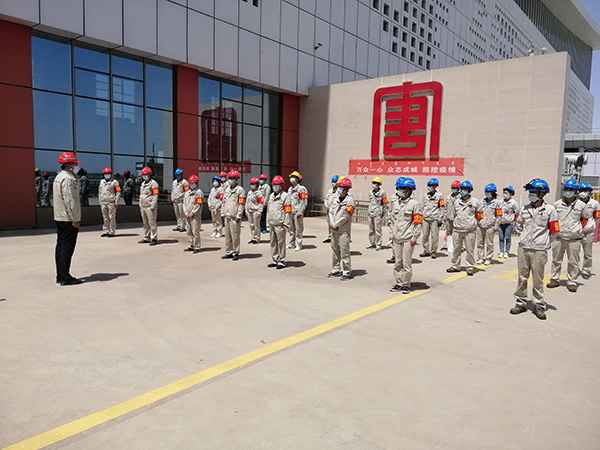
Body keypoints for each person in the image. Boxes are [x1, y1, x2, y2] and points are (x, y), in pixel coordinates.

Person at [510, 179, 559, 320]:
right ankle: (520, 302)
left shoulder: (550, 210)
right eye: (530, 192)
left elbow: (554, 231)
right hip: (524, 248)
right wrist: (524, 238)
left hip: (539, 250)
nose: (530, 194)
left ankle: (538, 304)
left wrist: (544, 242)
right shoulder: (524, 209)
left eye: (533, 192)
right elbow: (519, 226)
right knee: (522, 277)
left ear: (542, 194)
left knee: (538, 278)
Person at [547, 179, 591, 293]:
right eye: (566, 189)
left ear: (576, 191)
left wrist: (578, 229)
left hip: (574, 238)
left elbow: (585, 218)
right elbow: (553, 219)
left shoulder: (581, 205)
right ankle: (555, 279)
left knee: (573, 261)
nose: (568, 191)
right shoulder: (557, 204)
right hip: (559, 237)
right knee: (556, 260)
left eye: (571, 189)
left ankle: (572, 281)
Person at [389, 177, 423, 294]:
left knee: (406, 263)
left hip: (408, 238)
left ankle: (406, 284)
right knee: (397, 263)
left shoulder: (414, 204)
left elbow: (418, 222)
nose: (399, 190)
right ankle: (399, 282)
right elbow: (392, 221)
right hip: (397, 238)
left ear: (408, 190)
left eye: (402, 188)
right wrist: (391, 234)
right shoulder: (396, 203)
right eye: (398, 188)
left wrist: (415, 237)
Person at [53, 152, 82, 286]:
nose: (75, 166)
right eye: (74, 164)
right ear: (68, 165)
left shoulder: (58, 177)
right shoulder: (68, 179)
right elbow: (70, 200)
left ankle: (60, 275)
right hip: (67, 218)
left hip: (60, 216)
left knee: (60, 247)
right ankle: (65, 276)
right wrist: (75, 219)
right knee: (67, 248)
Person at [446, 180, 482, 276]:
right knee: (456, 249)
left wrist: (475, 225)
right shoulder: (456, 202)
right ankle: (455, 265)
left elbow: (479, 216)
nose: (463, 191)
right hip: (457, 229)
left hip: (470, 230)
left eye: (465, 189)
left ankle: (470, 267)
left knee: (470, 250)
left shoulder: (475, 202)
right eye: (462, 189)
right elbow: (454, 214)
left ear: (469, 190)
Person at [327, 177, 355, 281]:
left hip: (343, 231)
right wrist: (332, 223)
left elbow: (346, 216)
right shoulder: (335, 198)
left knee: (344, 251)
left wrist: (336, 224)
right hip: (334, 229)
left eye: (341, 187)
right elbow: (331, 212)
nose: (339, 189)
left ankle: (346, 271)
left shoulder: (350, 201)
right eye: (339, 187)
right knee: (335, 250)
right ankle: (336, 269)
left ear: (346, 189)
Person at [266, 175, 292, 269]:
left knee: (281, 243)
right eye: (274, 185)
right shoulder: (271, 196)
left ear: (281, 186)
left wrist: (286, 224)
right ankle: (274, 259)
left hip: (280, 224)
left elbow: (288, 211)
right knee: (273, 243)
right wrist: (267, 223)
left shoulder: (285, 196)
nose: (275, 187)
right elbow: (269, 210)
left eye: (276, 185)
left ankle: (281, 261)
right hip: (272, 223)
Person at [221, 170, 246, 261]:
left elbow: (241, 204)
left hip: (235, 217)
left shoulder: (240, 190)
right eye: (230, 178)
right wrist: (222, 213)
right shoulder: (227, 190)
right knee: (227, 236)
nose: (231, 180)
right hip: (227, 216)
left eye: (232, 178)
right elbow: (224, 202)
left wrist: (239, 215)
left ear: (236, 179)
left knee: (235, 235)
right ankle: (229, 251)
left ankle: (236, 252)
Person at [476, 183, 503, 265]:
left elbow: (499, 215)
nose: (487, 193)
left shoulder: (497, 203)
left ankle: (488, 257)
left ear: (493, 193)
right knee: (480, 243)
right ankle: (480, 257)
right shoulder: (481, 202)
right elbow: (478, 213)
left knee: (489, 244)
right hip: (481, 225)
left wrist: (496, 226)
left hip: (490, 226)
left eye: (489, 192)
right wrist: (478, 222)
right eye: (486, 191)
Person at [578, 182, 600, 279]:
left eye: (585, 191)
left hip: (588, 232)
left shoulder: (595, 204)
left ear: (590, 192)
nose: (583, 193)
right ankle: (574, 269)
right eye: (581, 191)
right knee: (574, 253)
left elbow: (597, 217)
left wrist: (590, 225)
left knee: (587, 253)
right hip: (576, 232)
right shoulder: (576, 203)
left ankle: (586, 270)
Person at [420, 178, 445, 258]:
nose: (430, 187)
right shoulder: (425, 196)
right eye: (429, 185)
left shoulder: (439, 195)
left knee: (434, 236)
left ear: (435, 186)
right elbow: (422, 206)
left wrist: (440, 218)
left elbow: (441, 207)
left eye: (432, 185)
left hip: (434, 218)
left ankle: (433, 251)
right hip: (426, 218)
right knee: (425, 235)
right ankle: (426, 250)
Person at [287, 171, 308, 251]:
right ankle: (291, 243)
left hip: (297, 212)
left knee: (298, 229)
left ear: (297, 179)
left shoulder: (301, 189)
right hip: (291, 212)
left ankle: (299, 244)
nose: (292, 179)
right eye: (291, 177)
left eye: (293, 177)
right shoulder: (290, 189)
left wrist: (300, 212)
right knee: (291, 229)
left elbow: (303, 201)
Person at [138, 166, 159, 246]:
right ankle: (146, 236)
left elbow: (155, 195)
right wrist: (140, 204)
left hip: (150, 206)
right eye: (143, 175)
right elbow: (141, 195)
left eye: (146, 175)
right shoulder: (143, 184)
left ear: (150, 175)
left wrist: (153, 205)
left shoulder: (153, 183)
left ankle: (154, 238)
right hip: (143, 206)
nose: (144, 176)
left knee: (152, 222)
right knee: (145, 223)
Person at [366, 176, 389, 251]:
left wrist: (384, 214)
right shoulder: (370, 192)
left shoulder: (382, 193)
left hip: (378, 213)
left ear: (379, 184)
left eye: (375, 183)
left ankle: (378, 244)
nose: (374, 184)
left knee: (377, 230)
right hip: (370, 213)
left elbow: (385, 204)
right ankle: (372, 243)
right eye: (373, 183)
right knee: (371, 230)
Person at [183, 174, 204, 254]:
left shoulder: (199, 193)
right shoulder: (187, 193)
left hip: (195, 215)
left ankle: (197, 246)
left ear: (196, 183)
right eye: (190, 183)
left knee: (195, 231)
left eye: (193, 183)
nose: (191, 184)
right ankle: (191, 245)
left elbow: (198, 204)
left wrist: (192, 213)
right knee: (189, 231)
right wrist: (186, 212)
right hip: (187, 215)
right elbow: (184, 204)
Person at [497, 185, 519, 258]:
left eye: (506, 193)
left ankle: (506, 252)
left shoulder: (513, 203)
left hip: (509, 223)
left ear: (510, 193)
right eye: (504, 193)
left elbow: (517, 213)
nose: (505, 194)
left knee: (507, 238)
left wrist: (515, 223)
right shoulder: (500, 202)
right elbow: (498, 212)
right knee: (501, 237)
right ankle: (501, 251)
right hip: (501, 223)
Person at [99, 167, 121, 237]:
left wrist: (116, 201)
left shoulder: (114, 182)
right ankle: (106, 230)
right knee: (105, 217)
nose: (107, 175)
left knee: (111, 217)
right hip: (103, 202)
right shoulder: (102, 182)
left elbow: (118, 192)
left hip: (111, 202)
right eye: (105, 174)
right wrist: (100, 201)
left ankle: (112, 231)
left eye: (108, 173)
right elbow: (99, 192)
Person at [442, 180, 461, 252]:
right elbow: (445, 208)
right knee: (448, 232)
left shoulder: (461, 198)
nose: (453, 189)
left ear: (458, 189)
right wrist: (444, 216)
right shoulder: (448, 197)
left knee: (458, 233)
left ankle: (458, 246)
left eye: (455, 188)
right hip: (449, 218)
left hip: (457, 218)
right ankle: (446, 245)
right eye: (452, 188)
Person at [245, 176, 264, 244]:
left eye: (253, 184)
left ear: (257, 184)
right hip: (249, 211)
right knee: (251, 225)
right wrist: (246, 210)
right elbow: (247, 202)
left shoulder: (259, 193)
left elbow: (260, 203)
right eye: (251, 184)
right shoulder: (249, 192)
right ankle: (253, 237)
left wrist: (259, 212)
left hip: (255, 211)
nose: (252, 185)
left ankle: (257, 238)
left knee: (256, 225)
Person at [171, 168, 188, 232]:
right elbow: (173, 191)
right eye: (176, 175)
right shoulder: (174, 182)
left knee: (182, 214)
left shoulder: (184, 182)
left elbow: (186, 191)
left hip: (181, 200)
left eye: (179, 175)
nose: (178, 176)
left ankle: (183, 226)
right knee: (177, 214)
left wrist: (181, 196)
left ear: (181, 175)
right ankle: (178, 225)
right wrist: (172, 198)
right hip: (175, 200)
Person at [323, 175, 339, 243]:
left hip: (335, 211)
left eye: (335, 182)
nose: (333, 183)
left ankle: (335, 236)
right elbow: (326, 199)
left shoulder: (339, 192)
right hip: (328, 210)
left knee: (335, 224)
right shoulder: (330, 191)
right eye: (333, 181)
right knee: (329, 224)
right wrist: (326, 206)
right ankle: (330, 236)